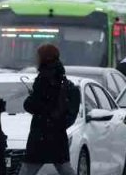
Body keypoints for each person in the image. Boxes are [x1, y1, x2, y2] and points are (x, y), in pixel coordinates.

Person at [19, 44, 78, 175]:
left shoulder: (43, 79)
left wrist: (30, 99)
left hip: (41, 133)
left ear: (44, 58)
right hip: (57, 133)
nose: (36, 59)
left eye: (38, 56)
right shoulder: (61, 78)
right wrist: (59, 123)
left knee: (28, 168)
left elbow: (32, 105)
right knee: (63, 167)